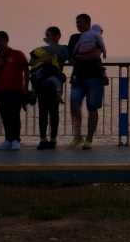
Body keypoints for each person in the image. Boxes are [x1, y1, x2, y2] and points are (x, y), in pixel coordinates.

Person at [67, 14, 105, 150]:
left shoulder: (95, 36)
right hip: (77, 77)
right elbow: (71, 58)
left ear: (88, 23)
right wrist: (80, 57)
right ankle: (77, 135)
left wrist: (78, 57)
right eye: (77, 22)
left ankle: (89, 139)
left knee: (92, 108)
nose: (78, 25)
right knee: (73, 104)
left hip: (94, 77)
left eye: (81, 22)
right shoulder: (74, 38)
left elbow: (95, 55)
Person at [29, 27, 68, 150]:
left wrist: (51, 43)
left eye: (50, 35)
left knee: (54, 112)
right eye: (47, 35)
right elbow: (31, 61)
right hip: (42, 82)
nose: (47, 37)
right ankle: (43, 138)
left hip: (54, 83)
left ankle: (53, 139)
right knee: (42, 112)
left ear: (57, 36)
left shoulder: (63, 48)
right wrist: (42, 59)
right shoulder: (42, 49)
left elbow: (60, 54)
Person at [0, 31, 29, 150]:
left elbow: (26, 71)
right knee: (5, 116)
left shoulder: (18, 54)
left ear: (6, 41)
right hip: (1, 90)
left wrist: (26, 88)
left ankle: (16, 140)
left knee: (14, 115)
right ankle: (8, 139)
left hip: (16, 90)